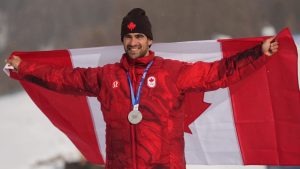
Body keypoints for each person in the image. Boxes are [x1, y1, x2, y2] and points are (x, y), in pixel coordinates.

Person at [7, 8, 278, 169]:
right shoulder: (106, 76)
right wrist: (25, 68)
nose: (133, 42)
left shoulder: (171, 73)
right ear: (122, 40)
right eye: (128, 36)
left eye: (139, 36)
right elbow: (63, 78)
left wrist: (258, 53)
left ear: (150, 40)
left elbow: (219, 73)